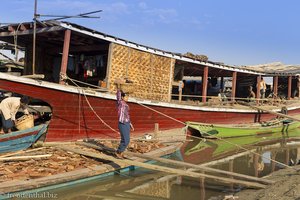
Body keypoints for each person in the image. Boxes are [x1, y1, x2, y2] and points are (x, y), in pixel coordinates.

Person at [115, 84, 134, 159]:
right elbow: (118, 95)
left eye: (128, 96)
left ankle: (121, 152)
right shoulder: (120, 103)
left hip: (126, 123)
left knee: (127, 139)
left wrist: (130, 124)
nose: (127, 98)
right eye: (126, 96)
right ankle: (118, 152)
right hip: (122, 123)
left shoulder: (126, 105)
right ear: (122, 97)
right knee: (126, 140)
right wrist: (119, 87)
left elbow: (127, 116)